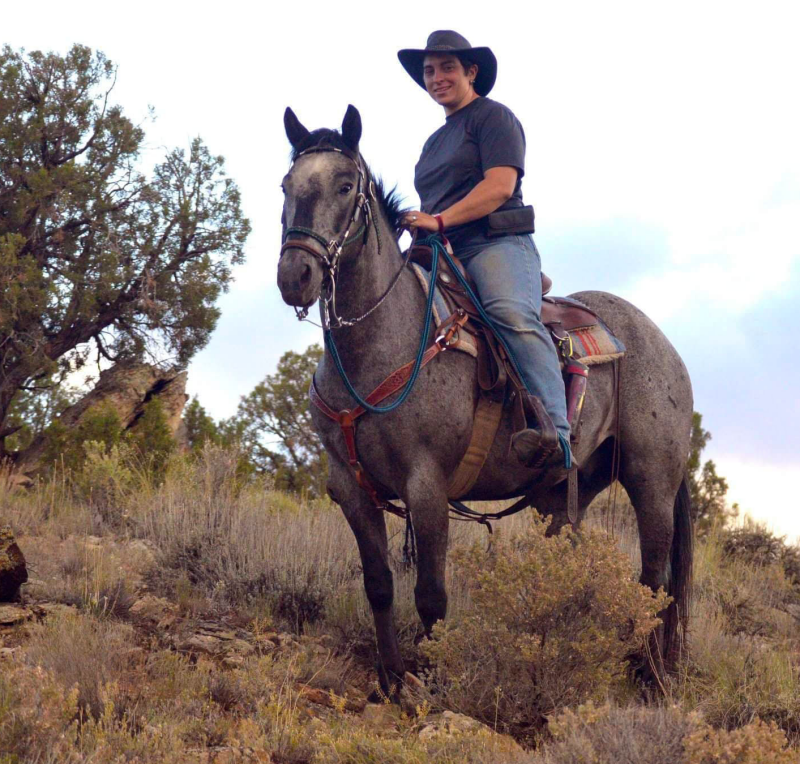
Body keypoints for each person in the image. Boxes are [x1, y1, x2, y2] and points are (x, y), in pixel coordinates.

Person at [398, 30, 571, 468]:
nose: (436, 78)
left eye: (447, 68)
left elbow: (499, 187)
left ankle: (558, 435)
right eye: (429, 71)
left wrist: (438, 220)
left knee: (511, 314)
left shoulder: (494, 118)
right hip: (444, 250)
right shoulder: (432, 144)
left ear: (471, 72)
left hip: (495, 242)